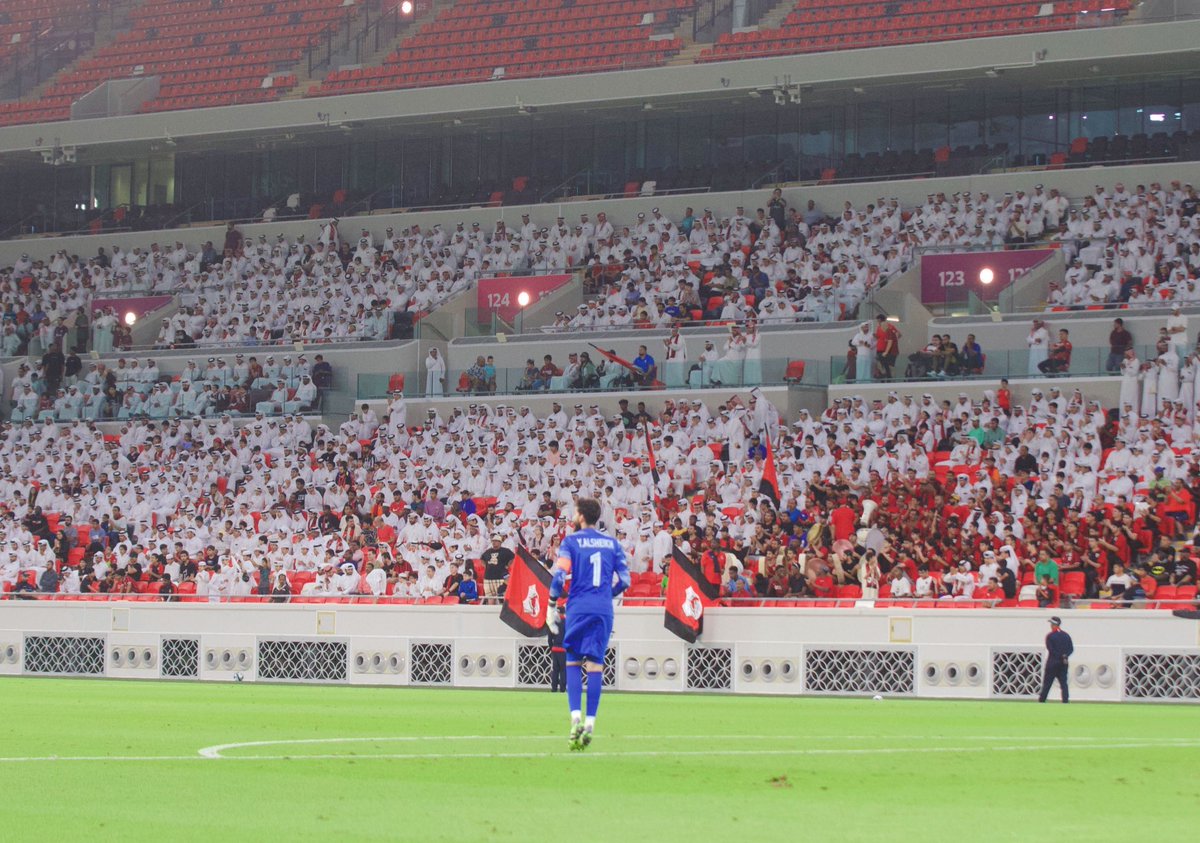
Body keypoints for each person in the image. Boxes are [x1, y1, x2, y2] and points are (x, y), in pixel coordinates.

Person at [545, 496, 631, 750]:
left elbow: (560, 576)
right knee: (595, 665)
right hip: (603, 609)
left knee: (572, 661)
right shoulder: (612, 544)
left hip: (578, 607)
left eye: (574, 512)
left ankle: (575, 719)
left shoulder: (571, 542)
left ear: (581, 515)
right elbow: (625, 580)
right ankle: (591, 722)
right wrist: (606, 596)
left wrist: (551, 606)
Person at [1038, 616, 1074, 703]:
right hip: (1063, 663)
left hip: (1052, 663)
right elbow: (1071, 649)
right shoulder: (1066, 635)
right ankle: (1065, 700)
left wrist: (1058, 656)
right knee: (1063, 684)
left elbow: (1050, 649)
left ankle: (1042, 700)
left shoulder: (1050, 636)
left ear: (1053, 625)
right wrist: (1065, 656)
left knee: (1047, 683)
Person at [547, 602, 566, 693]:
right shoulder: (567, 623)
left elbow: (550, 638)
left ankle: (554, 688)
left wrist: (551, 647)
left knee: (555, 670)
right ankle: (562, 689)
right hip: (563, 649)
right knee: (563, 669)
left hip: (555, 649)